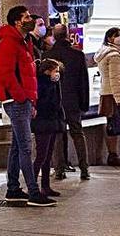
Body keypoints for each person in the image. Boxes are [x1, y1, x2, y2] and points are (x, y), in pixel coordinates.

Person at [0, 5, 56, 207]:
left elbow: (27, 73)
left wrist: (31, 99)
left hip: (24, 100)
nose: (30, 19)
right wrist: (21, 97)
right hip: (16, 101)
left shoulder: (24, 42)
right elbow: (6, 74)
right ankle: (33, 191)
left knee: (16, 147)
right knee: (26, 147)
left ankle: (13, 188)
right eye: (27, 17)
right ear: (17, 22)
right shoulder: (9, 44)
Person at [43, 24, 90, 180]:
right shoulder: (77, 55)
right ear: (67, 35)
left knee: (57, 135)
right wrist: (84, 103)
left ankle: (59, 168)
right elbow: (83, 82)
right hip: (73, 102)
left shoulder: (48, 55)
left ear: (54, 36)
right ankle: (84, 169)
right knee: (77, 133)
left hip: (54, 102)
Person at [95, 27, 120, 167]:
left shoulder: (104, 52)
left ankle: (113, 154)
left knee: (111, 124)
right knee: (114, 125)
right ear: (109, 38)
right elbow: (115, 78)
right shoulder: (114, 55)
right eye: (117, 35)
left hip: (107, 92)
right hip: (114, 94)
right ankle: (113, 155)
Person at [31, 58, 66, 198]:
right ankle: (32, 186)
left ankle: (45, 186)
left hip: (51, 123)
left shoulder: (54, 84)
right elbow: (46, 103)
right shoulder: (42, 84)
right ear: (47, 71)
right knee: (41, 156)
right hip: (43, 123)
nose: (57, 74)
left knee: (47, 156)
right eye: (55, 71)